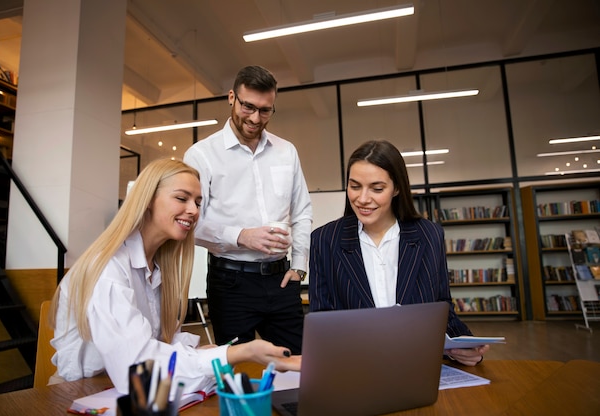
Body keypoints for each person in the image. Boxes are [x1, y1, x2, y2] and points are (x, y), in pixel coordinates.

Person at [49, 158, 300, 397]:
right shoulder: (108, 269)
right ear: (147, 200)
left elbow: (158, 341)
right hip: (80, 395)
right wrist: (240, 352)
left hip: (123, 393)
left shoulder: (158, 268)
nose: (193, 211)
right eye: (182, 198)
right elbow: (138, 370)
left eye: (198, 203)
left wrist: (203, 352)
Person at [308, 140, 488, 366]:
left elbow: (441, 306)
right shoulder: (325, 240)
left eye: (377, 188)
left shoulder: (428, 235)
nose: (363, 198)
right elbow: (321, 319)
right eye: (355, 186)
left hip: (416, 364)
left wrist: (464, 346)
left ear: (397, 188)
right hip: (355, 367)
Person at [183, 65, 312, 354]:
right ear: (232, 98)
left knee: (297, 364)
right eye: (248, 106)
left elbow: (302, 210)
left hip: (282, 280)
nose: (255, 118)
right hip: (231, 283)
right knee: (237, 371)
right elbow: (190, 222)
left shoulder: (286, 151)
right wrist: (242, 236)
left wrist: (300, 266)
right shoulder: (201, 155)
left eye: (265, 110)